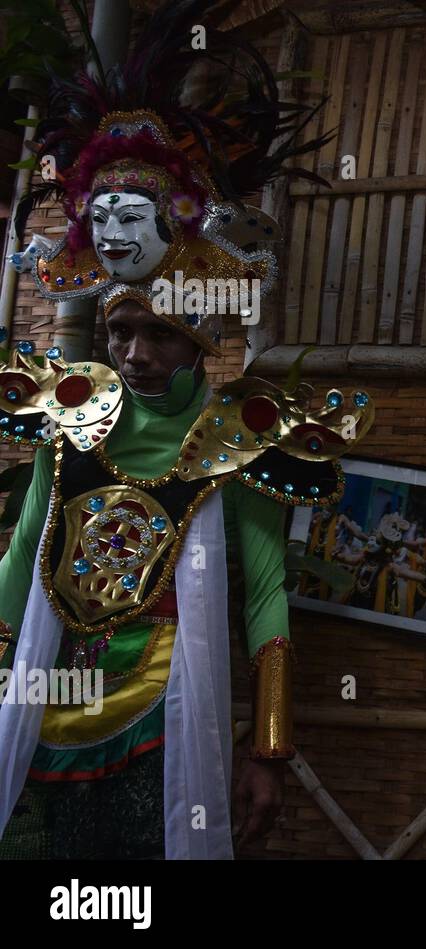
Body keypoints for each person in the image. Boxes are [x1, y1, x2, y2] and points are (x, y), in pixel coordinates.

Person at [0, 0, 373, 859]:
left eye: (159, 332)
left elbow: (267, 595)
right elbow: (22, 559)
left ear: (199, 342)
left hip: (170, 720)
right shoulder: (69, 423)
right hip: (42, 716)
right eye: (120, 330)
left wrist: (268, 745)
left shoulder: (238, 439)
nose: (132, 352)